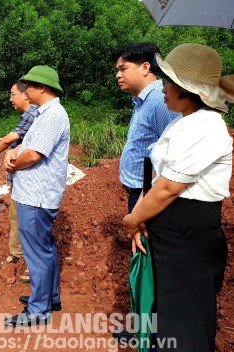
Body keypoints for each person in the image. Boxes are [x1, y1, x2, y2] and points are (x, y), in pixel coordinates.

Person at [123, 43, 233, 352]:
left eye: (169, 82)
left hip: (187, 231)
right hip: (170, 226)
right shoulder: (181, 121)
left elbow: (171, 187)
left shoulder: (207, 126)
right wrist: (144, 218)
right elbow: (159, 177)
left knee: (185, 322)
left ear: (188, 89)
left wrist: (133, 219)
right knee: (168, 311)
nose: (163, 88)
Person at [3, 65, 69, 326]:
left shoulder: (52, 115)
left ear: (41, 87)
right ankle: (49, 297)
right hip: (36, 194)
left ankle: (38, 310)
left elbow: (32, 154)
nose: (25, 90)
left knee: (36, 252)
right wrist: (14, 152)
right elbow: (26, 146)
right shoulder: (45, 114)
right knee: (45, 248)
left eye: (28, 85)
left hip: (36, 196)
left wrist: (12, 163)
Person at [112, 42, 179, 213]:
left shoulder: (159, 101)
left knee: (145, 239)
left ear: (145, 67)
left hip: (150, 194)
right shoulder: (143, 101)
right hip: (142, 192)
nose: (118, 75)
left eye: (123, 68)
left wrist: (147, 201)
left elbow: (174, 153)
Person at [0, 81, 38, 266]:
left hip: (26, 177)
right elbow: (19, 140)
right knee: (15, 214)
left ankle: (25, 257)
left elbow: (14, 138)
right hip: (19, 176)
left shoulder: (32, 113)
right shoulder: (31, 115)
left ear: (25, 95)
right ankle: (18, 253)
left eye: (13, 94)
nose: (11, 98)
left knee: (23, 216)